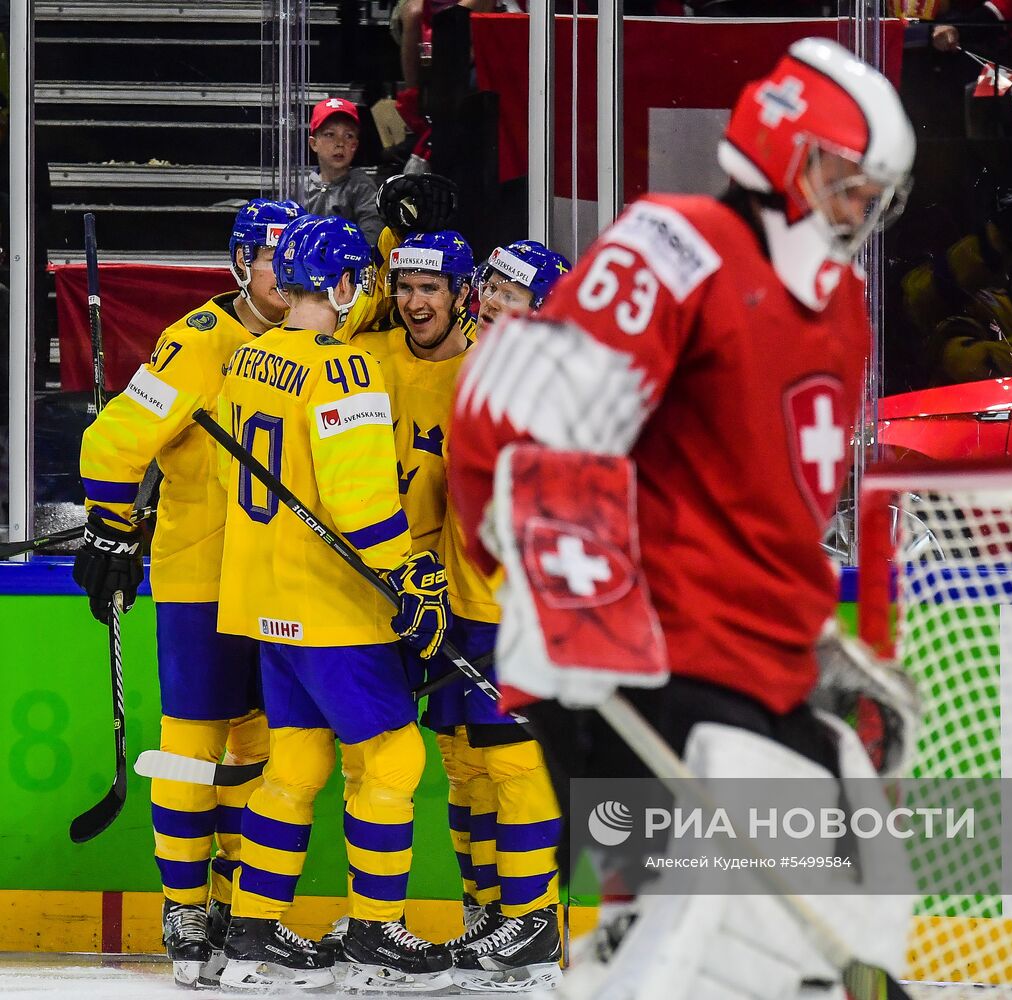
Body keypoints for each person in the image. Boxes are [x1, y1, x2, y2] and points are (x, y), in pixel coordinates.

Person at [448, 38, 920, 996]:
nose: (861, 207)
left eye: (876, 190)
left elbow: (771, 503)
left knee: (856, 916)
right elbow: (515, 415)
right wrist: (556, 596)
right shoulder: (679, 243)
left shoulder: (843, 306)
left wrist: (808, 639)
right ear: (779, 151)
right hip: (651, 661)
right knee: (702, 959)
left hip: (762, 667)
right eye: (845, 178)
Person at [215, 215, 453, 992]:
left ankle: (249, 937)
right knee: (393, 757)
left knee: (297, 759)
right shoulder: (344, 369)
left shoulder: (251, 355)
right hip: (332, 609)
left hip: (263, 601)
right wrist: (410, 573)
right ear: (347, 285)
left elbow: (230, 483)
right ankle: (377, 935)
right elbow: (360, 502)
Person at [73, 198, 300, 988]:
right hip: (203, 578)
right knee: (192, 742)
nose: (292, 272)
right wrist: (109, 525)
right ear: (242, 262)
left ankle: (241, 910)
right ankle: (185, 909)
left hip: (281, 581)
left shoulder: (309, 336)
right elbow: (113, 439)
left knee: (260, 750)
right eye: (277, 257)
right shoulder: (199, 342)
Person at [432, 239, 571, 991]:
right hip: (459, 600)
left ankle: (534, 918)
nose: (492, 299)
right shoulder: (478, 358)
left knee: (515, 765)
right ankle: (488, 908)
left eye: (512, 294)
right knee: (466, 765)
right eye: (491, 285)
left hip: (520, 610)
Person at [304, 98, 382, 246]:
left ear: (355, 145)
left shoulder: (362, 186)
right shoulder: (302, 187)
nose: (340, 143)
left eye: (349, 136)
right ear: (314, 143)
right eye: (329, 134)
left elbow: (371, 240)